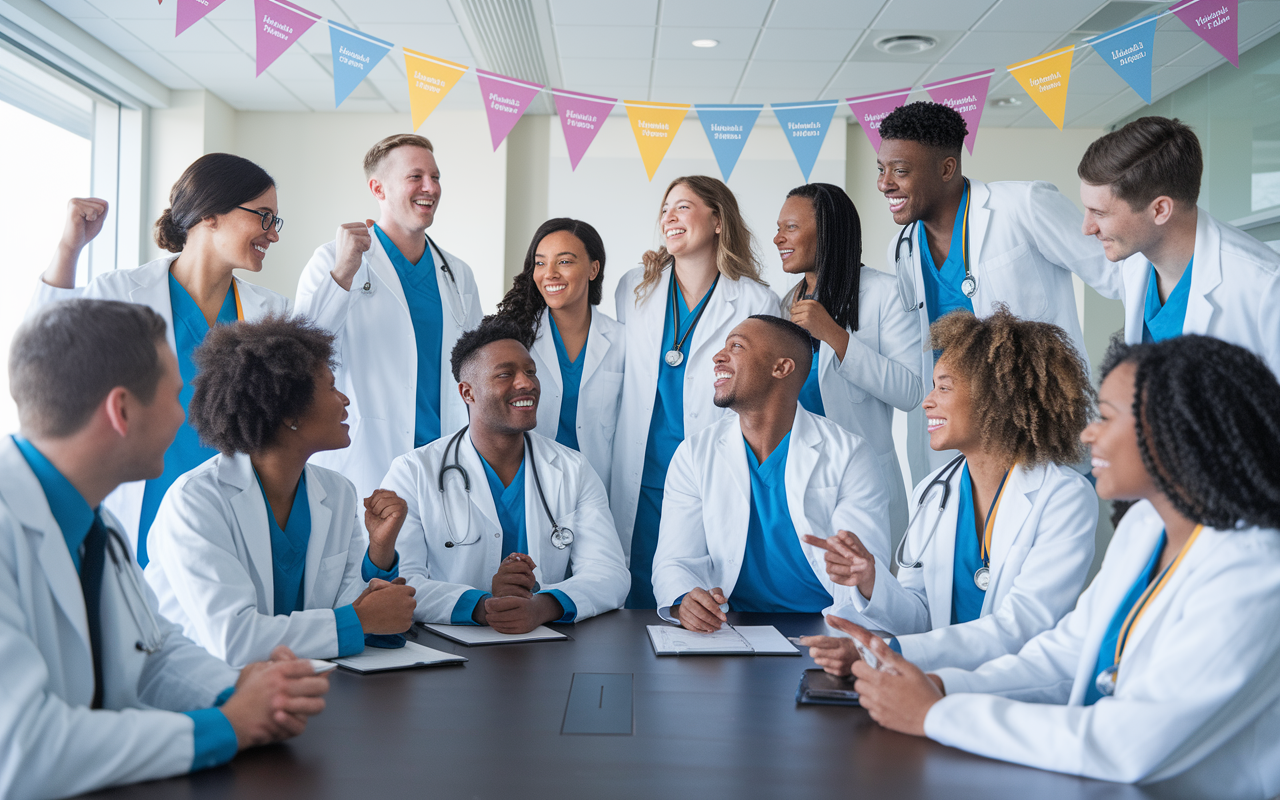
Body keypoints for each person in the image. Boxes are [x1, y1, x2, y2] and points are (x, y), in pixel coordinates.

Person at [840, 335, 1280, 793]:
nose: (1089, 433)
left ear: (1177, 429)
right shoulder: (1146, 528)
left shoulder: (1255, 574)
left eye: (1106, 418)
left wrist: (936, 714)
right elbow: (1064, 655)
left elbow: (1125, 745)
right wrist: (941, 685)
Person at [0, 300, 330, 800]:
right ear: (122, 409)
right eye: (176, 395)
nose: (185, 416)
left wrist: (237, 690)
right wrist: (226, 726)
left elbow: (152, 651)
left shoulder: (96, 526)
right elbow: (23, 749)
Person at [804, 308, 1098, 673]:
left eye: (943, 387)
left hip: (1014, 693)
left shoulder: (1065, 497)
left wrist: (884, 652)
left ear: (996, 396)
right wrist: (871, 579)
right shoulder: (932, 492)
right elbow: (919, 618)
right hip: (934, 687)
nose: (927, 401)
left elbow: (1022, 627)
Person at [32, 155, 292, 565]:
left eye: (275, 221)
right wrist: (70, 248)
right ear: (210, 214)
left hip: (230, 523)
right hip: (140, 510)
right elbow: (43, 354)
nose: (272, 234)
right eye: (264, 217)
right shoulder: (121, 292)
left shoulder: (271, 313)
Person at [144, 317, 418, 668]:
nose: (345, 399)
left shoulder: (338, 493)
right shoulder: (196, 501)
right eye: (332, 388)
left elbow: (358, 610)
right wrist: (361, 620)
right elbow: (234, 640)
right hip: (201, 692)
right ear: (290, 410)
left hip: (298, 687)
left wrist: (379, 554)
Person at [876, 102, 1111, 482]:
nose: (885, 183)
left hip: (1033, 419)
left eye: (900, 171)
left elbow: (1115, 271)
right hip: (955, 426)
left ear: (947, 168)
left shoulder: (1022, 206)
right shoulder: (901, 248)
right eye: (882, 170)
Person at [382, 316, 629, 633]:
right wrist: (482, 607)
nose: (526, 383)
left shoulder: (573, 468)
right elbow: (403, 582)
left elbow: (609, 573)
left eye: (530, 372)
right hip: (449, 649)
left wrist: (544, 606)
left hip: (548, 644)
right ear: (468, 393)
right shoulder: (412, 472)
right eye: (505, 374)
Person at [650, 315, 891, 629]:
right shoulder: (694, 454)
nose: (718, 357)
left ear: (782, 368)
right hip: (729, 627)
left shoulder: (850, 455)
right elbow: (675, 560)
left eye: (736, 346)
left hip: (826, 627)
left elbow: (862, 573)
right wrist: (684, 599)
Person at [612, 176, 781, 609]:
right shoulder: (634, 289)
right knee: (633, 600)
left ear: (718, 219)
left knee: (703, 600)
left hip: (714, 470)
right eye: (665, 208)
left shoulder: (755, 301)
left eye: (683, 207)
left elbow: (767, 398)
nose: (669, 216)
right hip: (642, 472)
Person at [296, 133, 484, 502]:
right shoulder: (333, 260)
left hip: (446, 455)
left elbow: (477, 364)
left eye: (436, 176)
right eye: (416, 177)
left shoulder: (457, 273)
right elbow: (300, 351)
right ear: (378, 188)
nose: (430, 187)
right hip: (369, 457)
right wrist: (344, 273)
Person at [776, 182, 923, 542]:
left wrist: (835, 335)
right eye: (778, 228)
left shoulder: (884, 295)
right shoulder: (783, 305)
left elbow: (912, 391)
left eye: (790, 227)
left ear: (827, 232)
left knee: (860, 589)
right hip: (791, 480)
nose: (779, 238)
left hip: (860, 481)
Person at [1079, 116, 1280, 374]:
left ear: (1160, 210)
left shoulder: (1266, 287)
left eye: (1100, 213)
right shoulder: (1134, 268)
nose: (1087, 228)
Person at [495, 218, 624, 493]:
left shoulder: (622, 341)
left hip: (597, 486)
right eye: (540, 263)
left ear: (593, 269)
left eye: (564, 262)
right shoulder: (516, 339)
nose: (550, 273)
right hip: (528, 482)